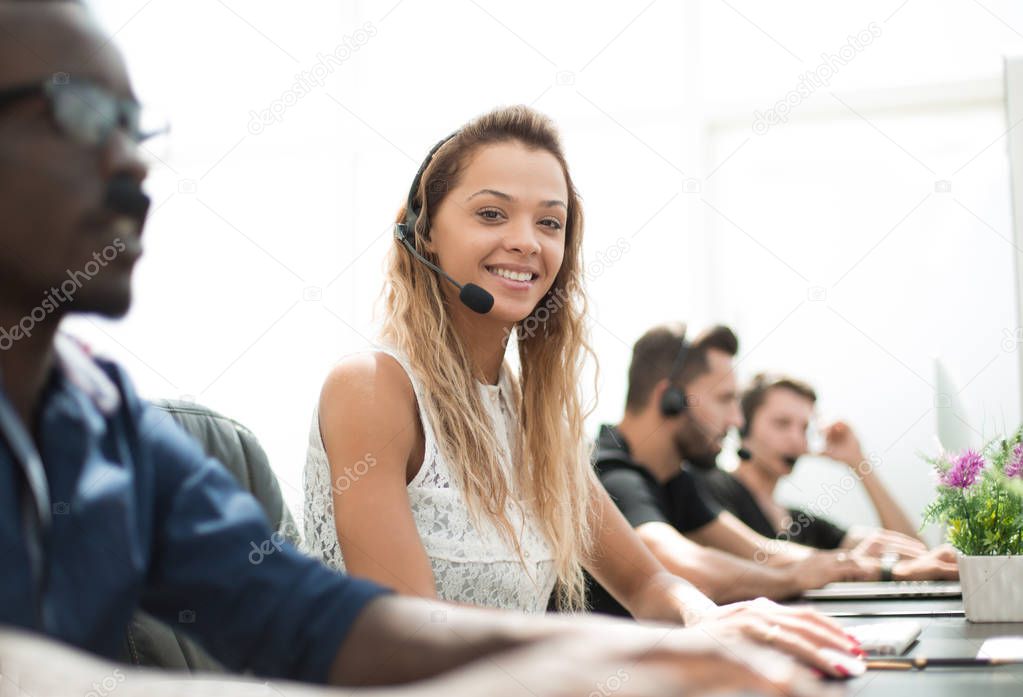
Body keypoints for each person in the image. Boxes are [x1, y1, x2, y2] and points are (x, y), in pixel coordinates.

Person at [0, 0, 864, 691]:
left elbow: (315, 617)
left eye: (135, 126)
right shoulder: (372, 385)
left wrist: (682, 642)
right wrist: (609, 661)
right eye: (80, 113)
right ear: (420, 234)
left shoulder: (99, 414)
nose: (132, 165)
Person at [588, 323, 958, 614]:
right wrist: (818, 573)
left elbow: (760, 551)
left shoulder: (673, 480)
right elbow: (679, 562)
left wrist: (872, 567)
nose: (736, 418)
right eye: (724, 399)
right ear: (668, 398)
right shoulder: (608, 472)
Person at [697, 373, 931, 559]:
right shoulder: (708, 489)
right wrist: (844, 563)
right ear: (743, 427)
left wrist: (858, 462)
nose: (797, 439)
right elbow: (755, 560)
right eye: (782, 424)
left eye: (803, 428)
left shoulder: (799, 521)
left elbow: (915, 551)